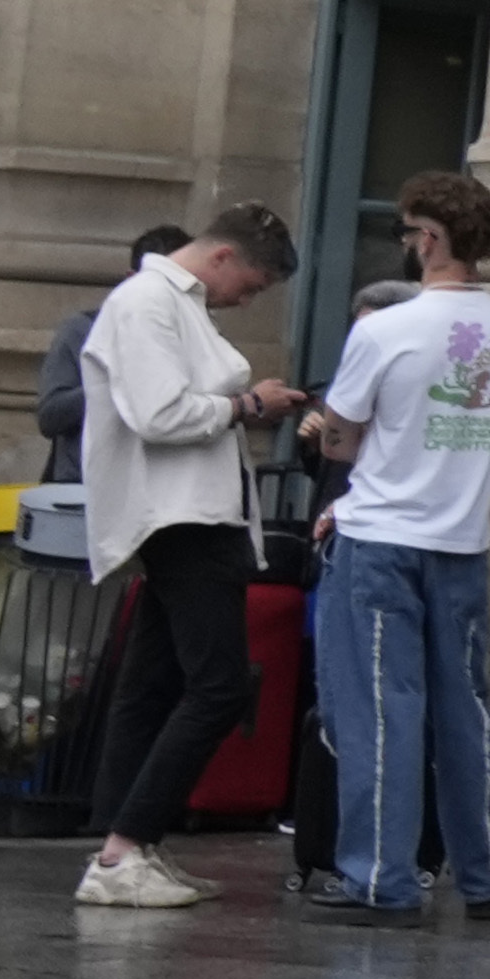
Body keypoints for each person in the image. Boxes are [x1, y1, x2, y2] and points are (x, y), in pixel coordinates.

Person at [297, 171, 490, 920]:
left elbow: (338, 434)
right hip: (463, 537)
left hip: (381, 537)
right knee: (465, 712)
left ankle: (380, 877)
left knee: (378, 709)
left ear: (428, 237)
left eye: (408, 234)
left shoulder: (385, 329)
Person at [63, 209, 296, 905]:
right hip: (182, 513)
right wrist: (249, 404)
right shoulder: (146, 303)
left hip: (193, 510)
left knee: (153, 683)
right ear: (222, 256)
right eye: (249, 285)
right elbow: (158, 415)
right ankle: (124, 847)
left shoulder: (170, 304)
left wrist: (241, 406)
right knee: (219, 686)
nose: (245, 300)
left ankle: (125, 846)